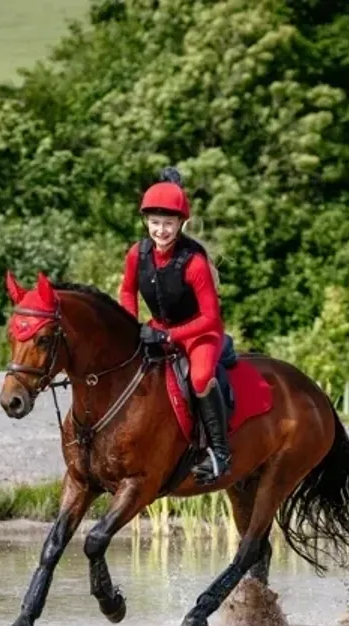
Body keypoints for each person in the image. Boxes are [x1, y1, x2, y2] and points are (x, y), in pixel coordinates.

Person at [118, 167, 231, 484]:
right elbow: (127, 291)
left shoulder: (194, 262)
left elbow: (210, 317)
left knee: (199, 378)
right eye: (155, 223)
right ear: (146, 222)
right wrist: (132, 326)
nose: (161, 230)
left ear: (181, 224)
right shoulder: (137, 254)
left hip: (199, 333)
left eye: (168, 224)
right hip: (158, 327)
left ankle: (220, 453)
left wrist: (169, 334)